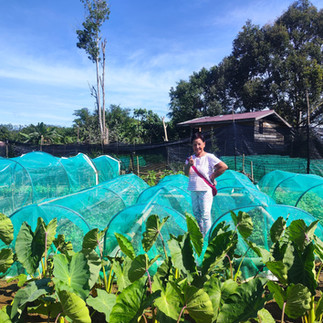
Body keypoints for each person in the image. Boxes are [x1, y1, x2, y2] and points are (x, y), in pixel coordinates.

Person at [184, 132, 228, 237]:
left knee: (205, 215)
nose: (197, 147)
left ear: (204, 144)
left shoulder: (209, 157)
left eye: (199, 144)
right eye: (195, 144)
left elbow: (223, 167)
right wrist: (189, 165)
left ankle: (207, 238)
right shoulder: (190, 158)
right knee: (196, 214)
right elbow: (186, 173)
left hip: (205, 189)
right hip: (194, 189)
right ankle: (200, 236)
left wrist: (213, 176)